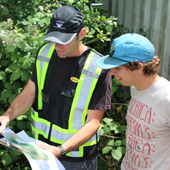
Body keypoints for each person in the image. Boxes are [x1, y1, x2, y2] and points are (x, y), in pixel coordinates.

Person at [0, 5, 112, 170]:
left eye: (64, 40)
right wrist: (7, 116)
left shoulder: (97, 68)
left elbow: (93, 122)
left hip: (77, 160)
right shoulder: (45, 53)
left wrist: (61, 150)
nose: (57, 45)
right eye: (54, 39)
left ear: (81, 34)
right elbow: (29, 94)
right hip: (40, 153)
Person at [96, 33, 170, 170]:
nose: (111, 72)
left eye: (118, 68)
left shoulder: (166, 98)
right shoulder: (135, 88)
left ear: (139, 67)